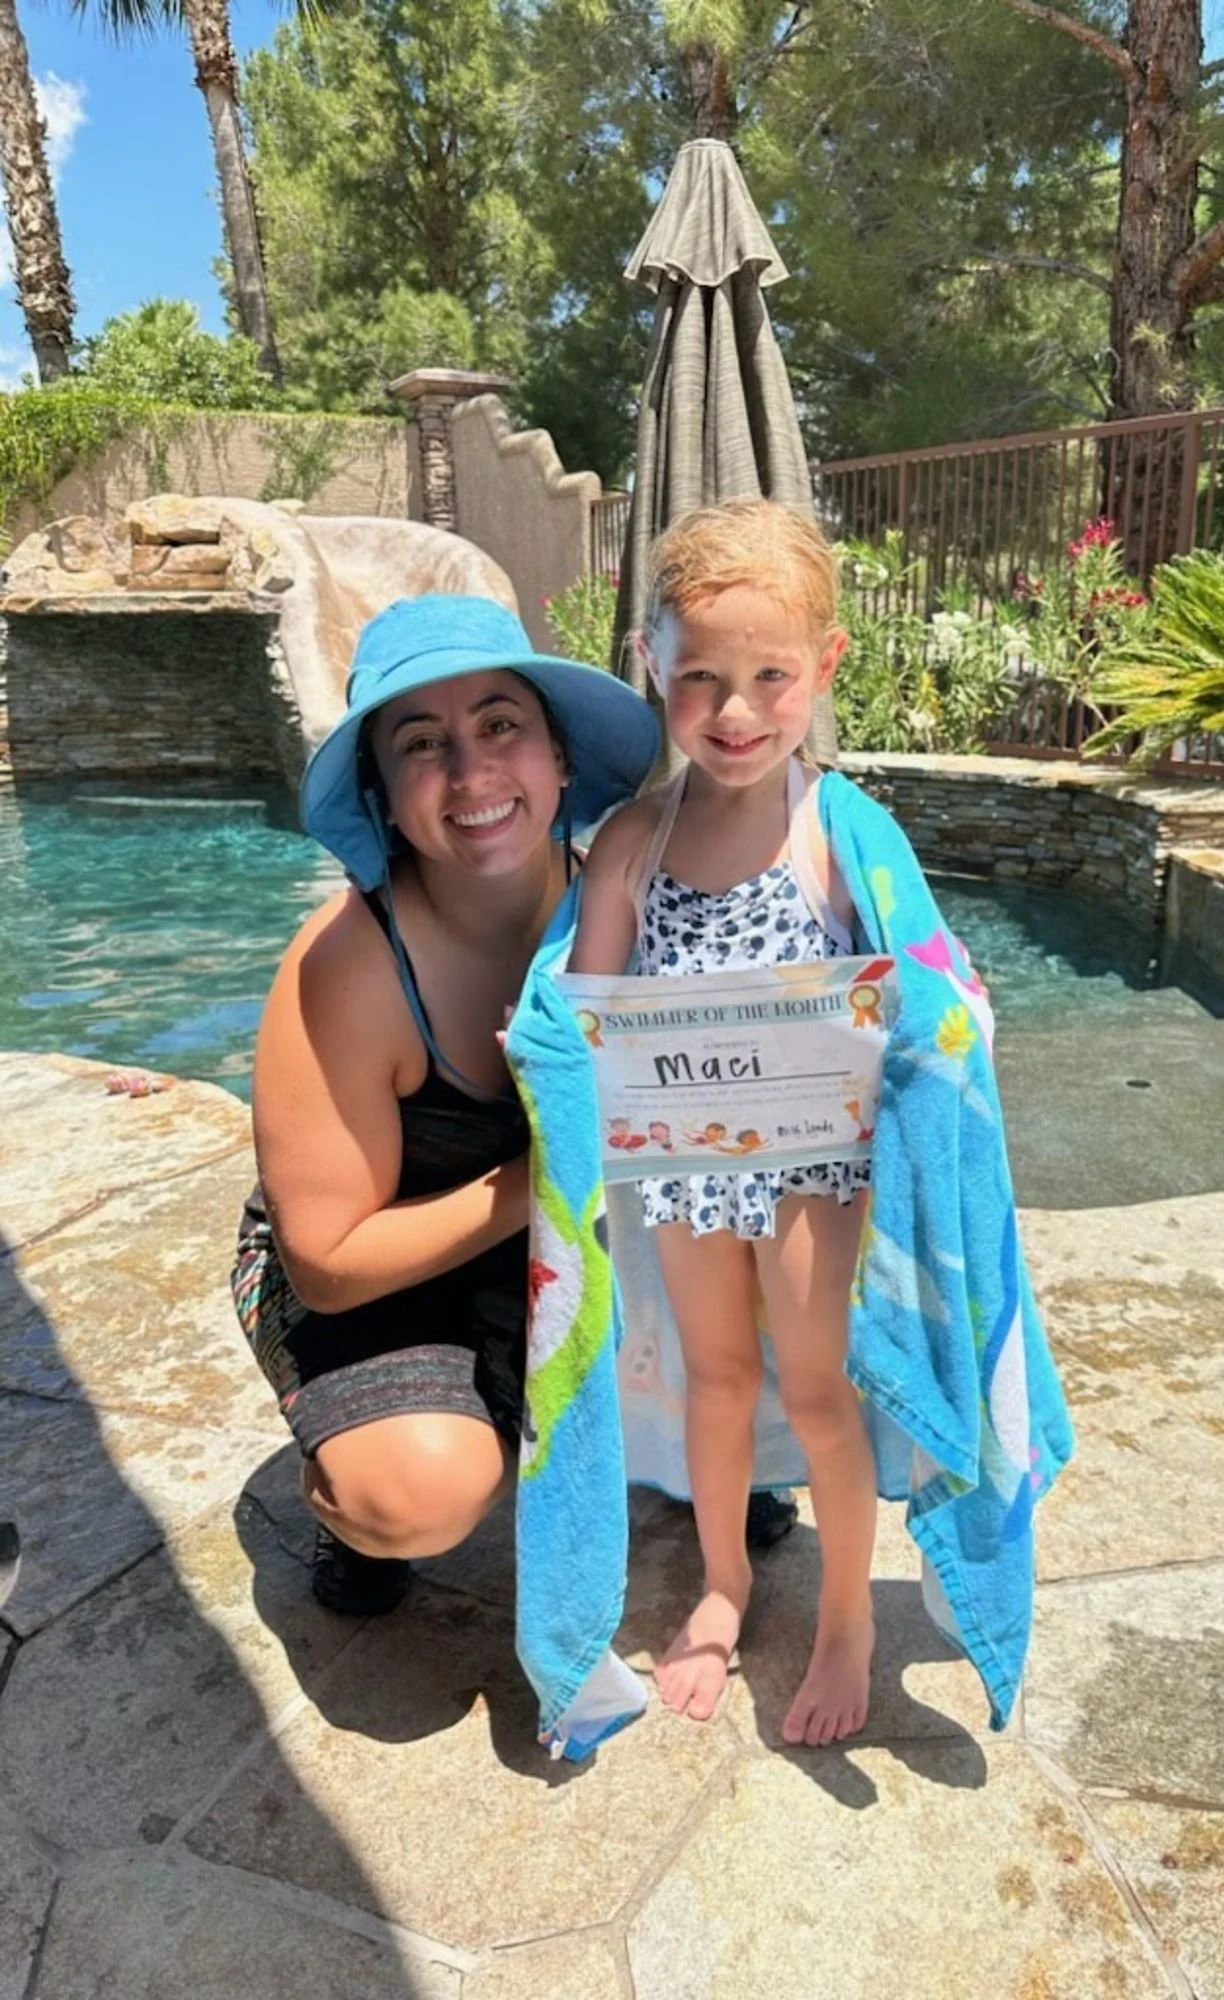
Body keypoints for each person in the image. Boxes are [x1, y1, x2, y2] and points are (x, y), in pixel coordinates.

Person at [231, 594, 660, 1615]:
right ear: (381, 793)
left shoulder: (635, 908)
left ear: (558, 755)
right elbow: (329, 1264)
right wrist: (553, 1162)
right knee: (420, 1490)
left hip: (563, 1246)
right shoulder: (351, 966)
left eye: (500, 724)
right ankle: (359, 1491)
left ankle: (682, 1444)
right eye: (422, 743)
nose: (471, 774)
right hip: (383, 1273)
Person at [569, 500, 877, 1747]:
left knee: (813, 1383)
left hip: (809, 1166)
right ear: (651, 663)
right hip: (690, 1167)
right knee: (717, 1376)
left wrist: (935, 1014)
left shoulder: (837, 829)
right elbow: (585, 1007)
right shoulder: (632, 842)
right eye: (700, 677)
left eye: (769, 677)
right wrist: (544, 1058)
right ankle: (725, 1579)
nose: (734, 710)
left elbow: (922, 979)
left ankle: (848, 1613)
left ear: (826, 667)